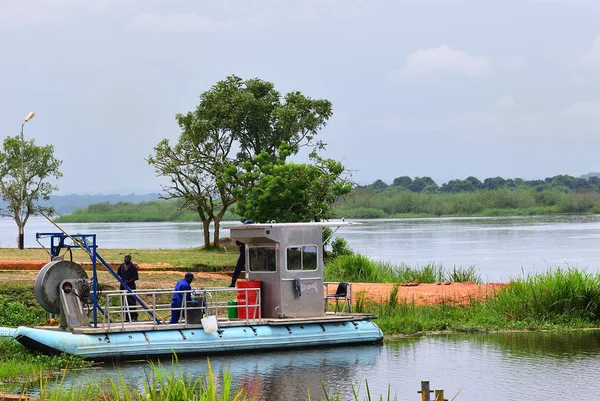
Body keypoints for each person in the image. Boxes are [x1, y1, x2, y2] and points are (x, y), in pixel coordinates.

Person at [117, 253, 139, 322]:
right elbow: (118, 275)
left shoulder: (133, 267)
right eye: (125, 258)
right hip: (123, 287)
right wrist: (121, 280)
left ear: (130, 259)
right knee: (124, 302)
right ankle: (125, 318)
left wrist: (128, 281)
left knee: (131, 302)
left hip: (131, 286)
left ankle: (133, 317)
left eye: (128, 258)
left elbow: (135, 277)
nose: (127, 259)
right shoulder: (121, 266)